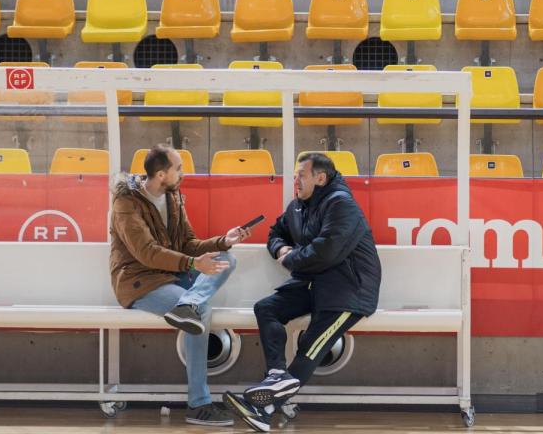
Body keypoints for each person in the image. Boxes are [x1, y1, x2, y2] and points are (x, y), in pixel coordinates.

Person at [223, 152, 382, 432]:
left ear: (320, 178)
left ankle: (263, 409)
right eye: (296, 174)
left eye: (301, 175)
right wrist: (281, 249)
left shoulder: (342, 205)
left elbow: (326, 251)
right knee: (266, 308)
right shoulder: (298, 207)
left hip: (348, 289)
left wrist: (289, 260)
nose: (295, 180)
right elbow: (275, 232)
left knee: (311, 343)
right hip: (312, 283)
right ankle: (275, 375)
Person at [110, 144, 251, 427]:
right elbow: (146, 252)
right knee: (199, 314)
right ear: (161, 174)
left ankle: (189, 302)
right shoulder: (126, 204)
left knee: (226, 260)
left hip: (173, 274)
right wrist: (192, 264)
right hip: (140, 281)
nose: (183, 174)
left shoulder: (173, 197)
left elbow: (188, 244)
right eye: (178, 168)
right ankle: (199, 405)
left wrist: (224, 241)